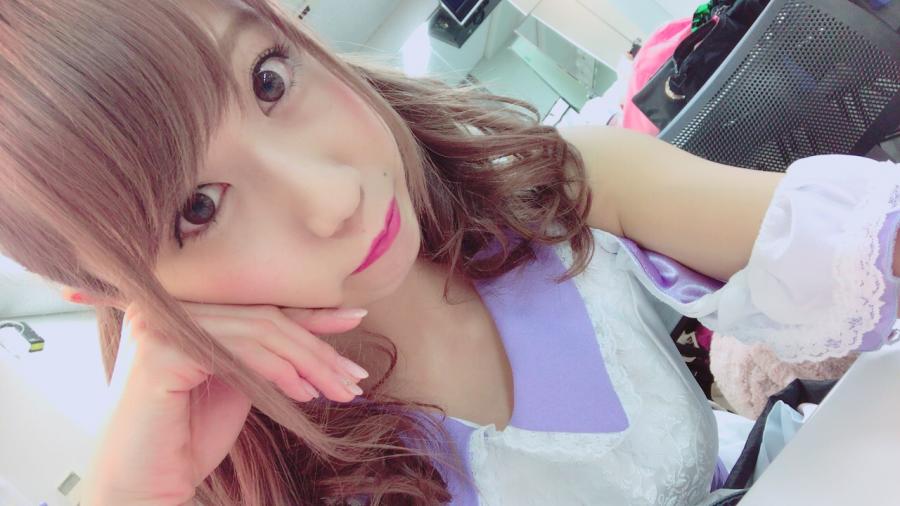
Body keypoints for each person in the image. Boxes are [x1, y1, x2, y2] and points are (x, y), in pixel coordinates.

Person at [1, 1, 898, 505]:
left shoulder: (553, 187)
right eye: (198, 208)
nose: (333, 195)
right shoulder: (253, 475)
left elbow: (875, 245)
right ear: (112, 287)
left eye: (269, 79)